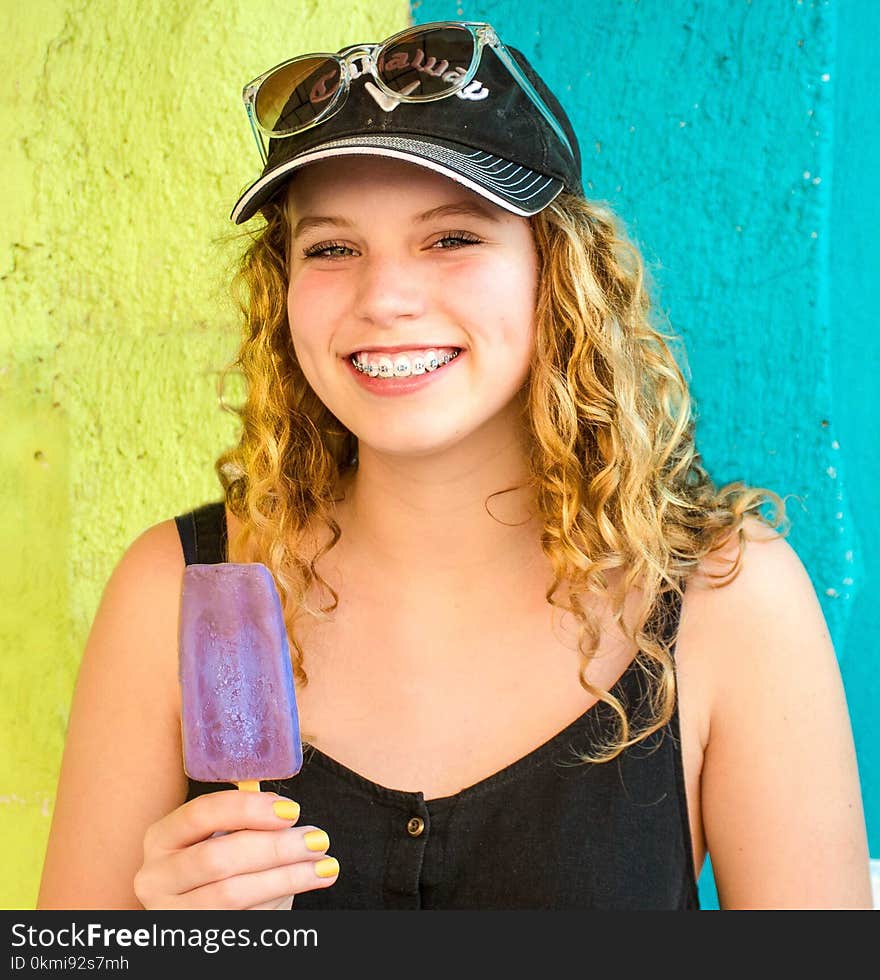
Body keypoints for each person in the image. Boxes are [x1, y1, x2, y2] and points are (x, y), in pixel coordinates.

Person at [37, 20, 872, 911]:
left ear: (558, 275)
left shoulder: (728, 604)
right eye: (330, 247)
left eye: (452, 238)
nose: (385, 297)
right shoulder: (171, 592)